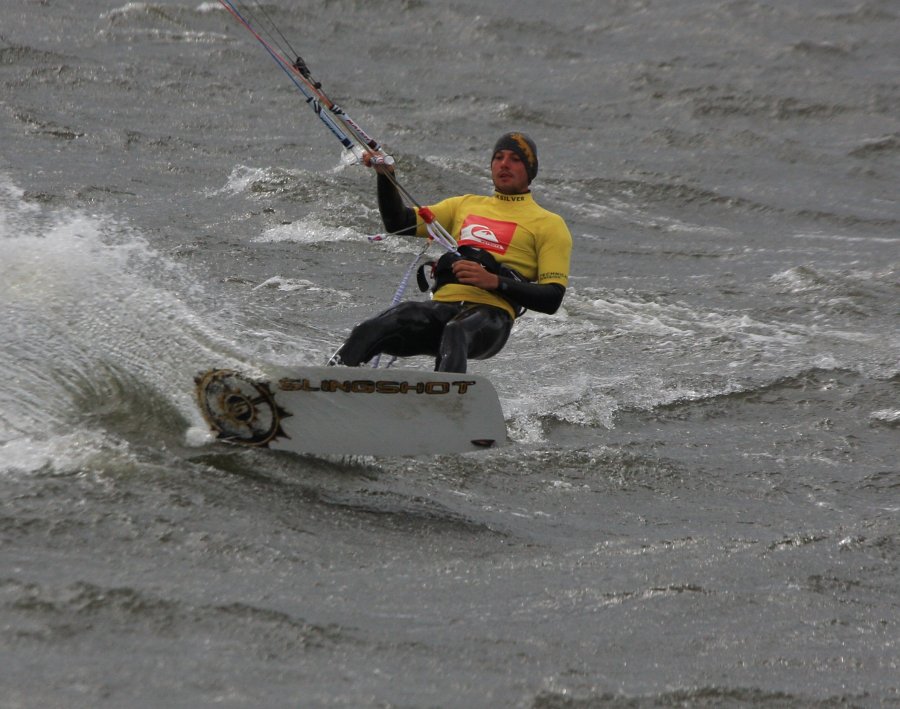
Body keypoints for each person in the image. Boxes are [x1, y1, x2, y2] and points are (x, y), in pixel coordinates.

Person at [329, 132, 573, 373]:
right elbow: (397, 222)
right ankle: (324, 385)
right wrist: (386, 177)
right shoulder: (463, 205)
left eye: (515, 159)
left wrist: (494, 281)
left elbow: (552, 298)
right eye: (498, 157)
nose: (504, 164)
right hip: (442, 309)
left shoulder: (549, 224)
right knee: (372, 327)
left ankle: (446, 406)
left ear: (530, 170)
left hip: (491, 318)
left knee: (456, 331)